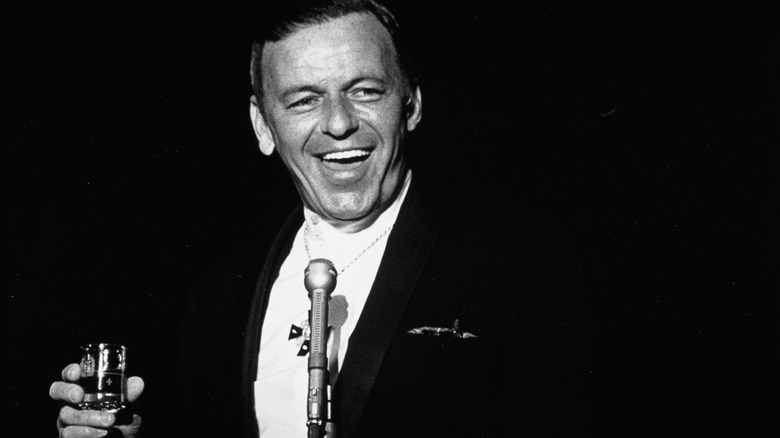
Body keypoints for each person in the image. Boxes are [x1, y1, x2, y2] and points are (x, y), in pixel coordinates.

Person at [49, 1, 606, 436]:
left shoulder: (520, 257)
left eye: (365, 91)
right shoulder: (217, 296)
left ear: (411, 103)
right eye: (303, 100)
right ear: (263, 126)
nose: (339, 124)